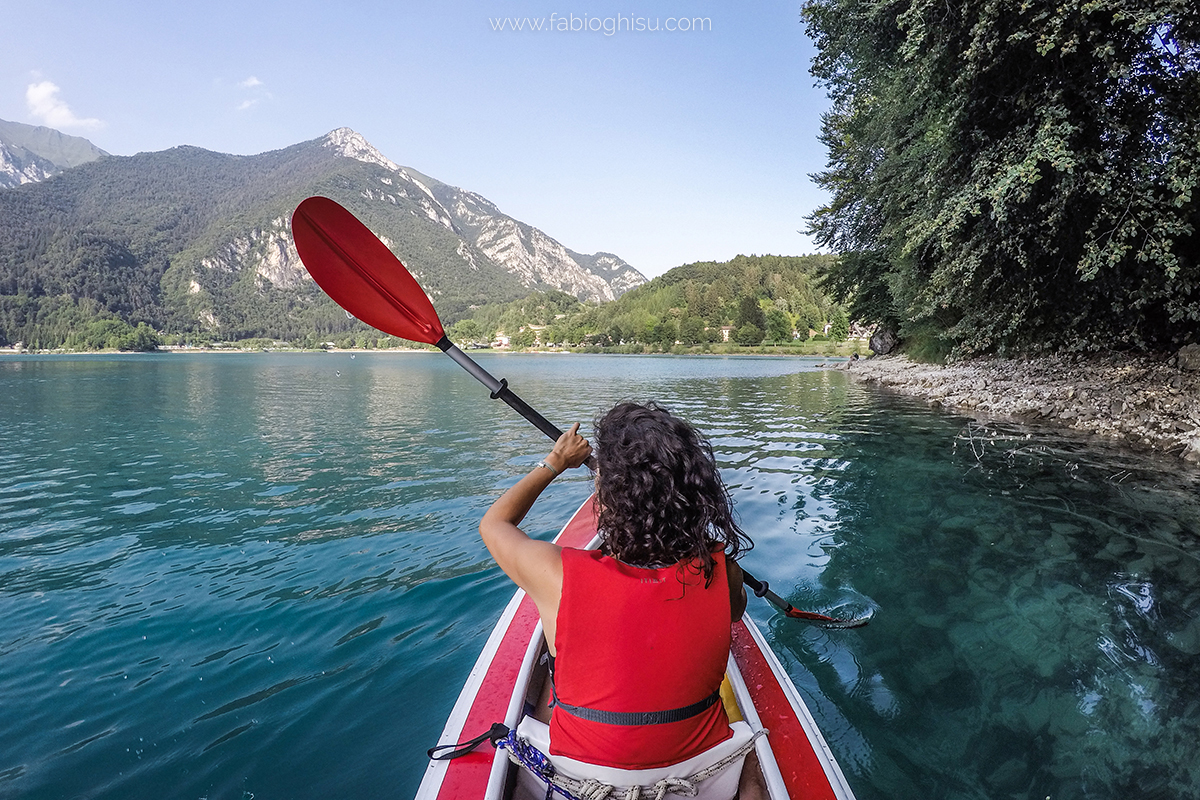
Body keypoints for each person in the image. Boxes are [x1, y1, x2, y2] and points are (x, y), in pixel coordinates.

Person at [479, 401, 757, 778]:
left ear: (608, 494)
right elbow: (736, 612)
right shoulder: (723, 572)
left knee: (553, 678)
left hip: (583, 774)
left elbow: (494, 523)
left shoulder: (556, 573)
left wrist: (555, 461)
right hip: (700, 771)